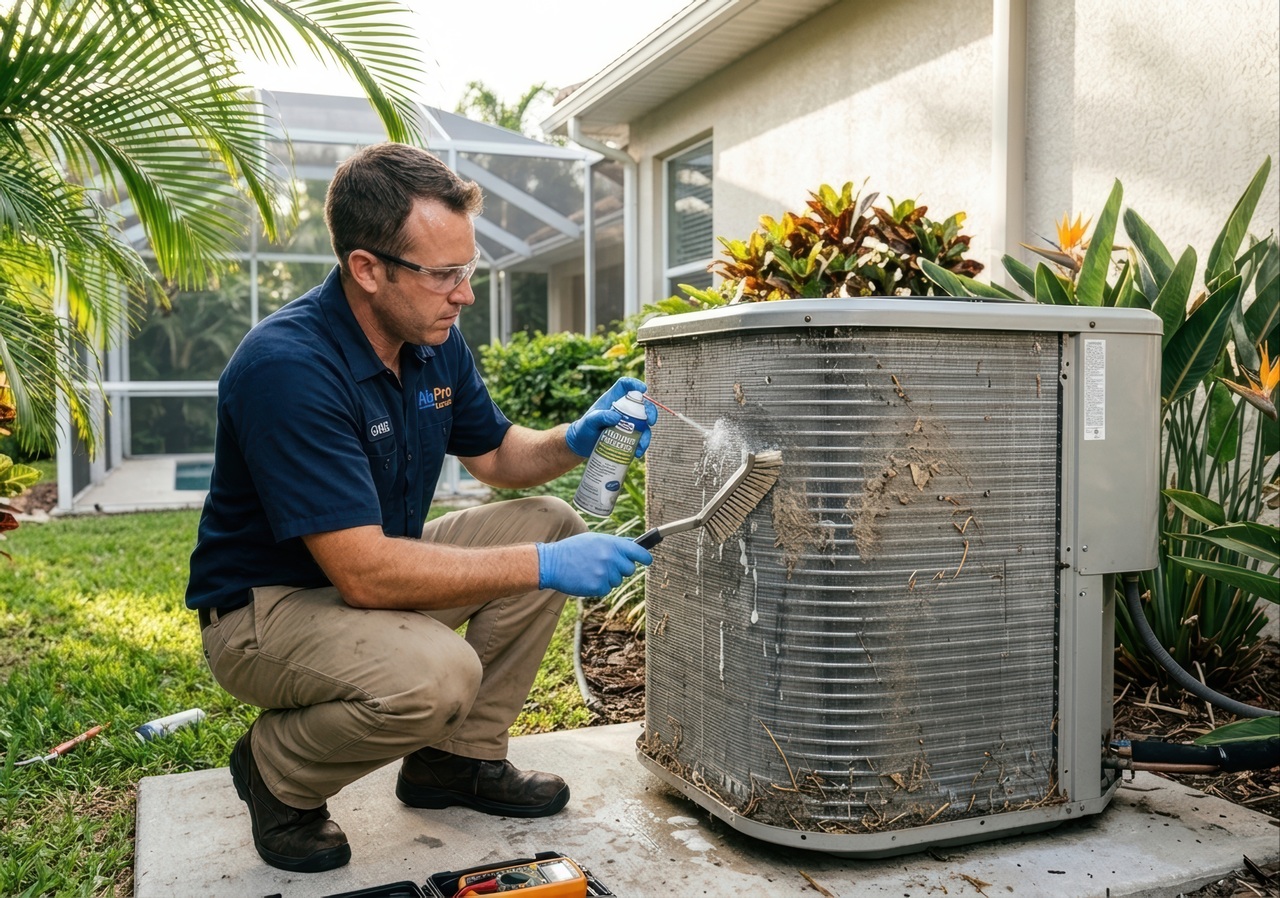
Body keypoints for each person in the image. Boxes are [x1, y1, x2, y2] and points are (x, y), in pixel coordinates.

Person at [185, 142, 655, 874]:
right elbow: (367, 576)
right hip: (264, 611)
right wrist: (544, 568)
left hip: (356, 578)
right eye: (444, 275)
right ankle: (277, 769)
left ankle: (453, 764)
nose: (463, 294)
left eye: (467, 271)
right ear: (366, 270)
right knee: (439, 675)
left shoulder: (432, 340)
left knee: (549, 520)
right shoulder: (288, 367)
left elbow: (498, 456)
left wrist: (575, 437)